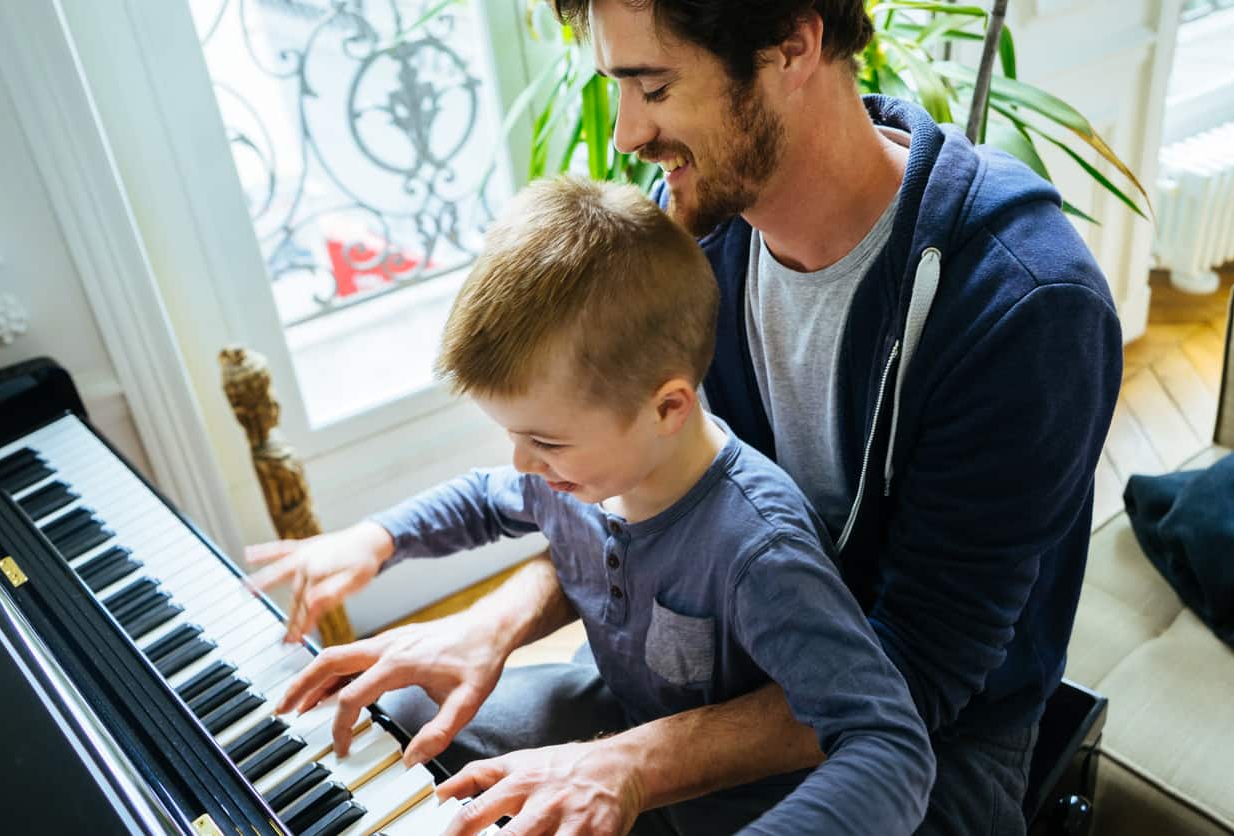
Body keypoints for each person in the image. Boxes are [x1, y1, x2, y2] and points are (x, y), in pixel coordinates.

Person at [252, 0, 1124, 832]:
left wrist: (630, 764)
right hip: (713, 659)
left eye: (656, 86)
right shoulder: (692, 233)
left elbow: (916, 679)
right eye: (617, 87)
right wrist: (490, 626)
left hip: (929, 739)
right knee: (403, 719)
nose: (629, 133)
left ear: (792, 43)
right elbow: (668, 502)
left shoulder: (1026, 306)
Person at [256, 177, 936, 835]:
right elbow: (483, 499)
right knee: (402, 703)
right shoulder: (583, 477)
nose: (523, 462)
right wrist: (375, 538)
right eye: (513, 435)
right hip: (618, 713)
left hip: (737, 803)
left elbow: (886, 740)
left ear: (667, 408)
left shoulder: (757, 547)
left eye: (544, 440)